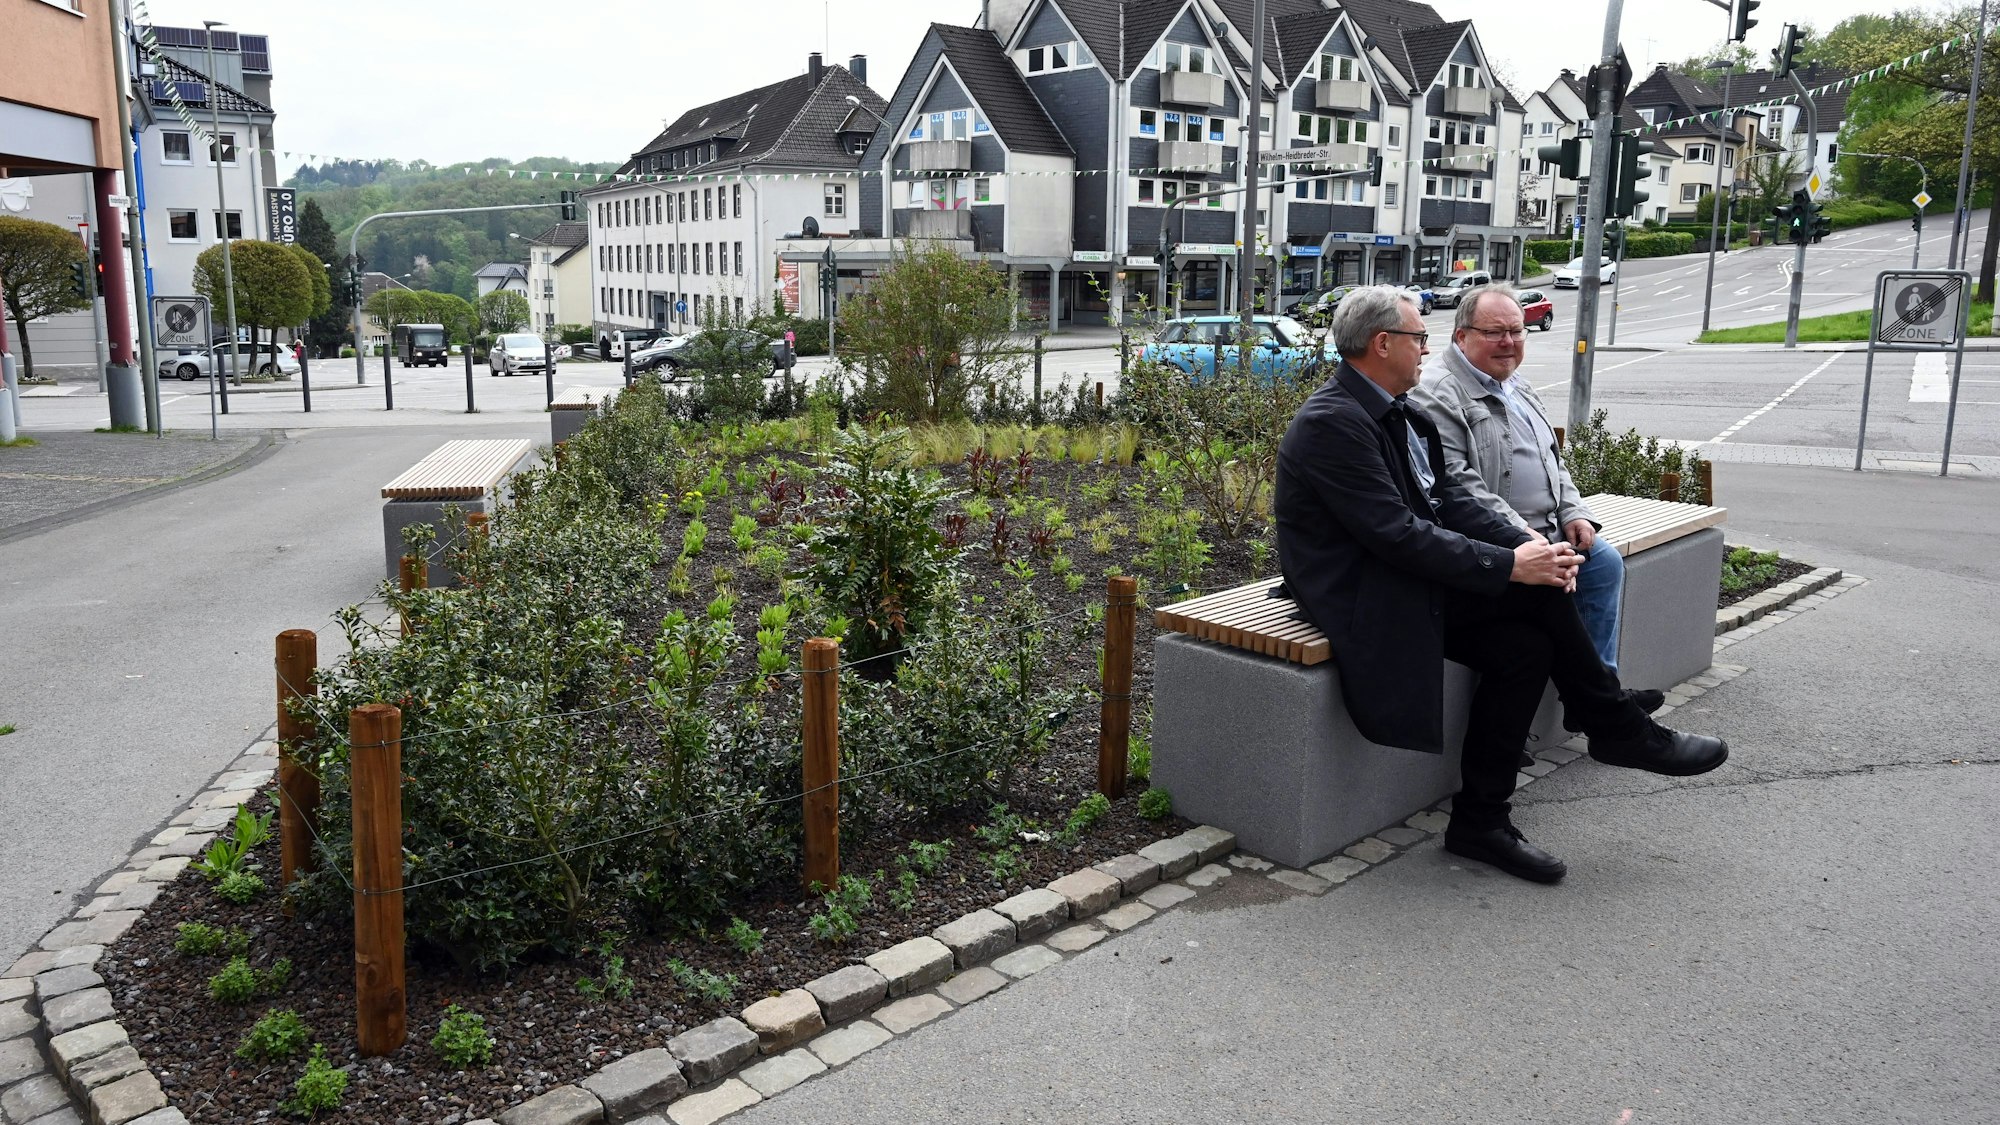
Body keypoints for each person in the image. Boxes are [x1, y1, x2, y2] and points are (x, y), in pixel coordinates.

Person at [1273, 285, 1726, 884]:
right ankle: (1615, 727)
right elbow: (1397, 534)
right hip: (1362, 591)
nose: (1426, 349)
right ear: (1383, 345)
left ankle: (1480, 823)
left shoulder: (1392, 408)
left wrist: (1525, 546)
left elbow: (1453, 496)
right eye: (1418, 338)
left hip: (1404, 576)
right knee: (1536, 596)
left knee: (1527, 647)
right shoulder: (1334, 423)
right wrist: (1512, 566)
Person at [1409, 283, 1661, 722]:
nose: (1508, 342)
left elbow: (1551, 460)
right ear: (1461, 336)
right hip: (1498, 540)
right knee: (1535, 613)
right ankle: (1599, 706)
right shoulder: (1438, 392)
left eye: (1517, 331)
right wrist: (1525, 537)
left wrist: (1574, 511)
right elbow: (1457, 484)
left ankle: (1598, 692)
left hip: (1547, 527)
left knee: (1602, 565)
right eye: (1494, 332)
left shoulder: (1516, 384)